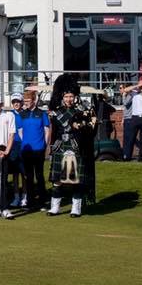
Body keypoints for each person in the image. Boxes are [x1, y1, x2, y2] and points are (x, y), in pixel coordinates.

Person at [47, 74, 96, 217]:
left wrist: (83, 125)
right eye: (66, 96)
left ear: (75, 96)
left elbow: (90, 130)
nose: (69, 99)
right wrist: (50, 147)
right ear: (62, 96)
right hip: (60, 146)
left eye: (71, 96)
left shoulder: (81, 111)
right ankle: (55, 208)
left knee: (76, 180)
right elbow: (54, 132)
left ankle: (76, 208)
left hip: (76, 146)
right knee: (57, 180)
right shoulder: (55, 112)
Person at [16, 90, 50, 211]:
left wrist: (44, 145)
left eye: (28, 101)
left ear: (34, 100)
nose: (26, 103)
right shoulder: (22, 114)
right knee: (28, 176)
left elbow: (46, 131)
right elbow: (20, 132)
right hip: (26, 150)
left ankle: (42, 202)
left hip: (39, 149)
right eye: (24, 101)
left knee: (39, 175)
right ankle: (30, 202)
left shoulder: (42, 113)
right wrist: (26, 142)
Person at [121, 81, 142, 162]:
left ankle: (141, 158)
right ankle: (128, 157)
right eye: (141, 86)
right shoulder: (134, 93)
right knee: (131, 138)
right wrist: (137, 85)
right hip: (134, 118)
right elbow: (125, 90)